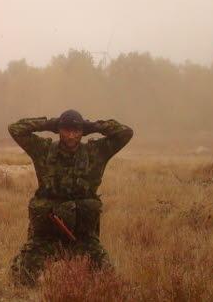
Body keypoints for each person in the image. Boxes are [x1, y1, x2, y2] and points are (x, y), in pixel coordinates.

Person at [7, 109, 133, 286]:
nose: (71, 136)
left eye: (76, 131)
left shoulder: (95, 153)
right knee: (21, 278)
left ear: (82, 132)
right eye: (66, 130)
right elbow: (15, 128)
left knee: (107, 279)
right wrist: (50, 124)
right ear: (59, 131)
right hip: (47, 237)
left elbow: (125, 133)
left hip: (83, 238)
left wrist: (93, 126)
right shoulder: (43, 150)